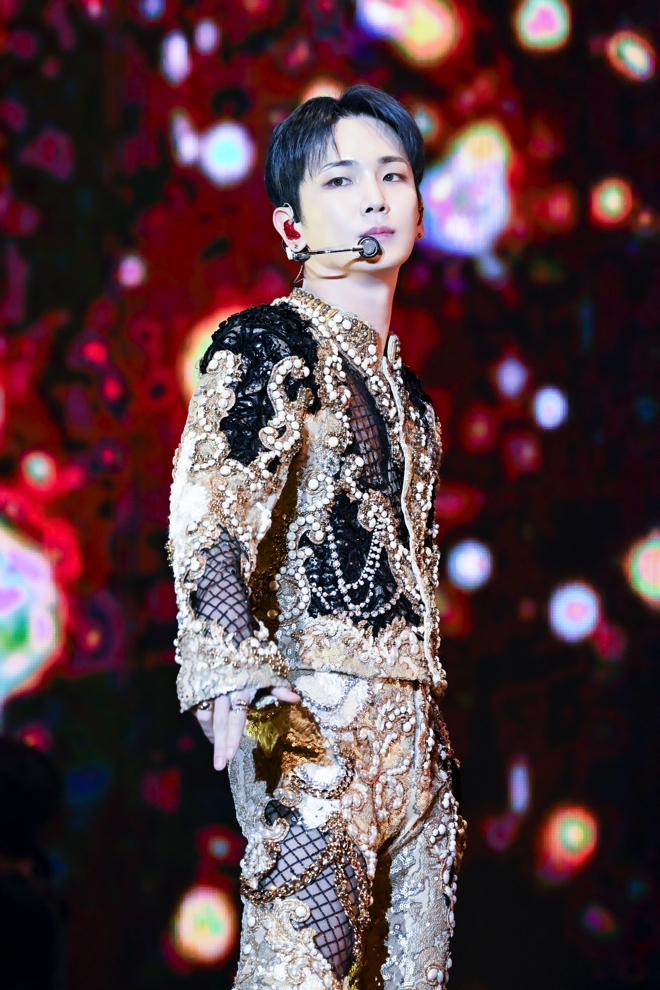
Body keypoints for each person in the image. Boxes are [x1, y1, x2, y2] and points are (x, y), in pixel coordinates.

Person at [169, 84, 466, 990]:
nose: (375, 197)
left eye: (394, 176)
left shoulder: (414, 402)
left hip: (418, 751)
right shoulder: (268, 344)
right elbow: (210, 511)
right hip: (306, 723)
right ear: (290, 225)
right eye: (341, 180)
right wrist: (234, 670)